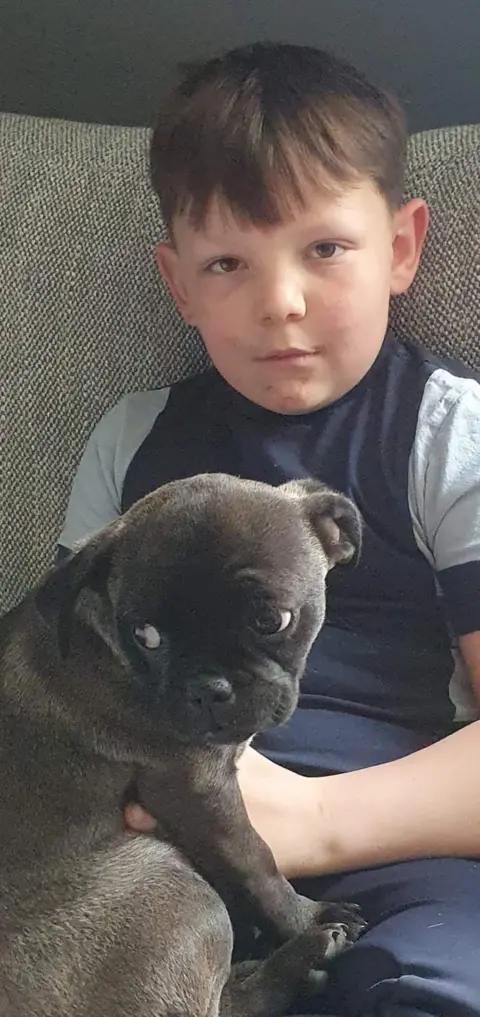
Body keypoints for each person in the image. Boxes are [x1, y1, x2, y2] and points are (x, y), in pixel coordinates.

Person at [57, 42, 480, 1017]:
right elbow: (64, 678)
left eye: (324, 249)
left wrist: (315, 822)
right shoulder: (133, 441)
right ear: (179, 284)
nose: (279, 302)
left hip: (392, 851)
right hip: (148, 854)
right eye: (227, 263)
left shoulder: (443, 434)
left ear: (403, 247)